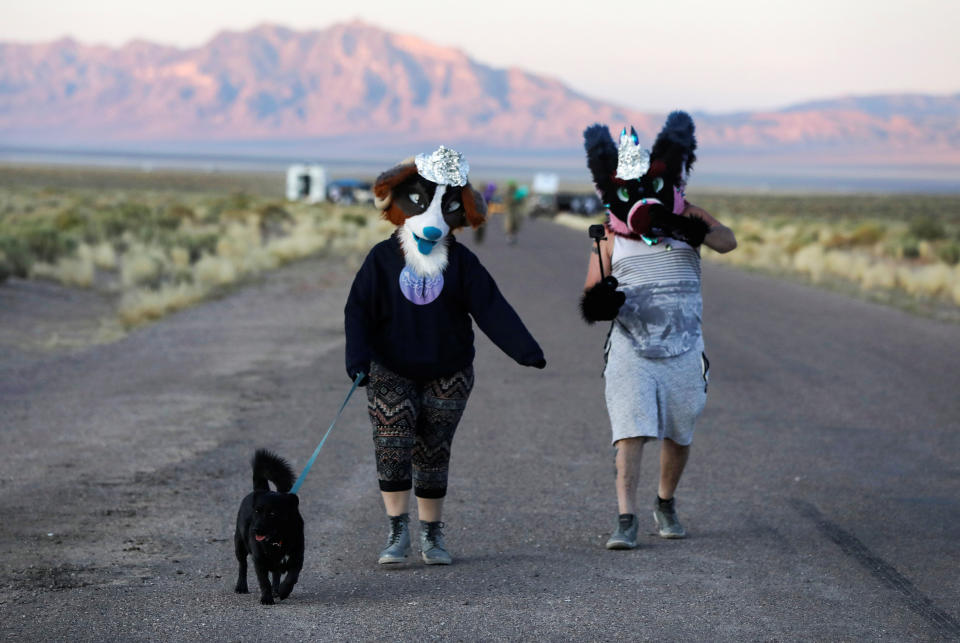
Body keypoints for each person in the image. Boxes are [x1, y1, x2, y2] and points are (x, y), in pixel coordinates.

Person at [345, 146, 546, 565]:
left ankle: (431, 534)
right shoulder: (382, 260)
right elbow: (358, 309)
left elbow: (492, 308)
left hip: (449, 371)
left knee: (433, 450)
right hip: (390, 367)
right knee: (392, 443)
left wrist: (525, 350)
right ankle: (397, 532)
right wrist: (357, 358)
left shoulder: (463, 263)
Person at [579, 114, 737, 549]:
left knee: (678, 432)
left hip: (685, 348)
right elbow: (591, 295)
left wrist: (689, 227)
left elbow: (728, 242)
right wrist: (603, 301)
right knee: (630, 430)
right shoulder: (610, 234)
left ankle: (665, 501)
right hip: (632, 347)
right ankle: (625, 518)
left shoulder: (686, 213)